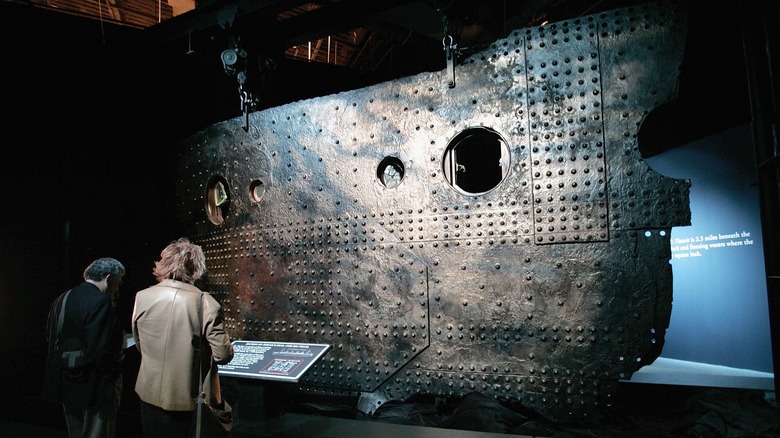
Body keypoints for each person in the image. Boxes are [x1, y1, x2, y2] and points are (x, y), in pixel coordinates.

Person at [132, 237, 234, 438]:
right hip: (187, 401)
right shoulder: (206, 303)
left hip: (147, 394)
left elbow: (139, 345)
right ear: (196, 267)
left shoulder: (142, 296)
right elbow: (223, 355)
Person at [43, 257, 126, 438]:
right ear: (108, 277)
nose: (117, 288)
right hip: (94, 385)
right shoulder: (101, 301)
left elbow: (51, 337)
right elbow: (100, 350)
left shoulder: (61, 299)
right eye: (118, 281)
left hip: (66, 383)